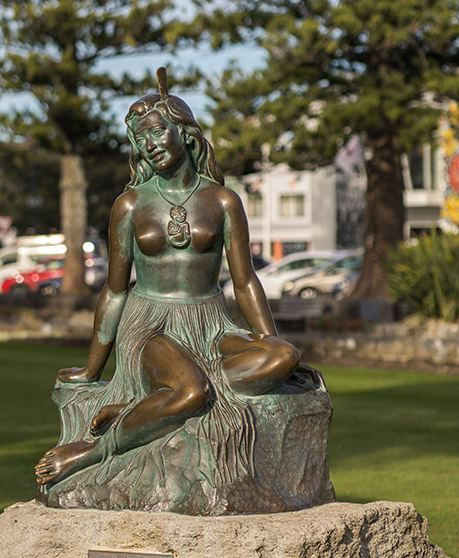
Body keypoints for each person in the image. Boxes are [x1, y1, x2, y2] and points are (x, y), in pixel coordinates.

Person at [35, 68, 319, 489]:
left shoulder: (223, 200)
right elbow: (114, 293)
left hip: (208, 322)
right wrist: (92, 371)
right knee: (192, 393)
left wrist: (266, 339)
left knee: (284, 357)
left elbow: (244, 282)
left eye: (156, 132)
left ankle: (146, 407)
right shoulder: (129, 205)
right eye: (141, 139)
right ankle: (96, 450)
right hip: (151, 325)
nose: (150, 146)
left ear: (184, 133)